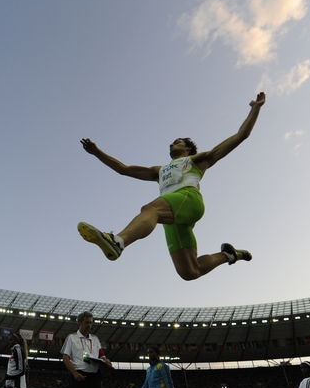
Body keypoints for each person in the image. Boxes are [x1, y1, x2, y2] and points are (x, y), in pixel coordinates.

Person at [77, 92, 266, 281]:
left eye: (177, 142)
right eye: (172, 142)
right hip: (172, 216)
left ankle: (118, 241)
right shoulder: (158, 170)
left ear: (188, 148)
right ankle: (230, 255)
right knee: (190, 272)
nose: (171, 143)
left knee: (150, 209)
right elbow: (123, 169)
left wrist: (255, 109)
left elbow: (242, 135)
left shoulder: (198, 160)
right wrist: (96, 152)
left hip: (188, 199)